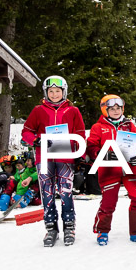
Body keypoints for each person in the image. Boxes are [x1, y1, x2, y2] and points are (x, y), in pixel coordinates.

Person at [21, 76, 86, 247]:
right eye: (51, 91)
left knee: (66, 192)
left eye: (58, 91)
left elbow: (80, 134)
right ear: (46, 92)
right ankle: (51, 228)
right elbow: (26, 132)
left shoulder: (73, 111)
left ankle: (69, 226)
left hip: (65, 157)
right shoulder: (38, 110)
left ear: (64, 92)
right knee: (47, 192)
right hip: (44, 157)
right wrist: (35, 140)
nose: (54, 94)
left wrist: (79, 154)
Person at [87, 94, 136, 245]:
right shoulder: (99, 127)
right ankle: (102, 231)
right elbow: (91, 147)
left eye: (118, 108)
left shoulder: (129, 125)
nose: (116, 111)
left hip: (130, 168)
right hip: (109, 170)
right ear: (105, 110)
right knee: (109, 202)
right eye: (112, 108)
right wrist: (102, 155)